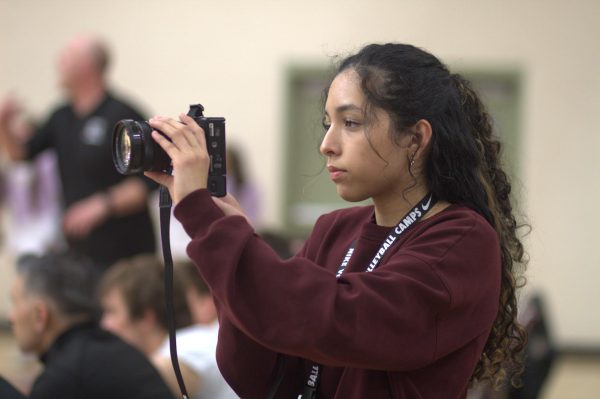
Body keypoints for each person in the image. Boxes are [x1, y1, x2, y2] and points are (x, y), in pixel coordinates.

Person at [145, 43, 528, 399]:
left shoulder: (463, 239)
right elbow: (260, 377)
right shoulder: (335, 229)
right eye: (328, 122)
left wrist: (208, 223)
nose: (327, 143)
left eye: (351, 123)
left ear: (415, 139)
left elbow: (338, 319)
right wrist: (232, 238)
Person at [0, 35, 156, 268]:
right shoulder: (60, 116)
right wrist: (3, 125)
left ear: (86, 67)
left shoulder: (122, 114)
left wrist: (101, 205)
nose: (58, 64)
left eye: (66, 58)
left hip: (126, 250)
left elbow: (149, 181)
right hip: (81, 249)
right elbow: (21, 155)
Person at [7, 252, 175, 398]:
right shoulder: (114, 350)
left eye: (15, 303)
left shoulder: (66, 377)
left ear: (40, 316)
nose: (11, 317)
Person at [99, 254, 232, 399]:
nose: (104, 325)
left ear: (146, 318)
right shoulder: (201, 339)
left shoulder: (184, 349)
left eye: (111, 311)